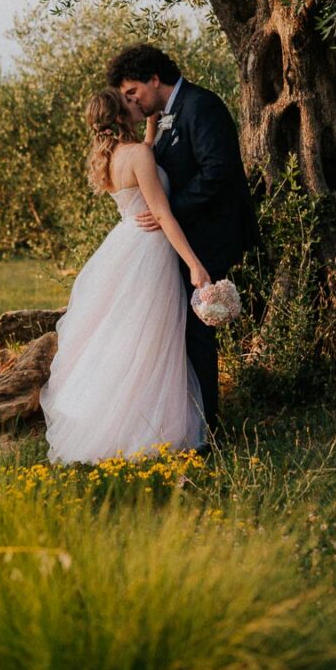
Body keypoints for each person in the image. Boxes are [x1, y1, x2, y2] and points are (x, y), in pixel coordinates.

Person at [39, 88, 212, 464]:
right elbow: (163, 214)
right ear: (120, 116)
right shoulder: (140, 155)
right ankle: (147, 429)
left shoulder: (112, 157)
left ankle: (114, 417)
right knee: (152, 339)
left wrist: (150, 125)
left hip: (124, 243)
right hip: (150, 251)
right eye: (129, 103)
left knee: (125, 335)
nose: (136, 103)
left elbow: (142, 162)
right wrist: (195, 265)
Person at [108, 44, 258, 437]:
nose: (133, 102)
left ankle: (207, 429)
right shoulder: (165, 116)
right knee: (181, 334)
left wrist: (167, 210)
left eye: (133, 92)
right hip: (182, 239)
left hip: (211, 234)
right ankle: (183, 420)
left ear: (155, 79)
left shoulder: (201, 105)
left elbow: (217, 172)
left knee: (197, 335)